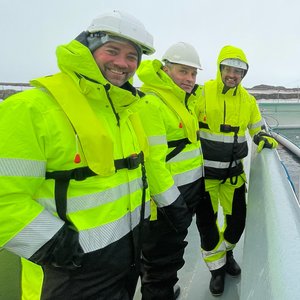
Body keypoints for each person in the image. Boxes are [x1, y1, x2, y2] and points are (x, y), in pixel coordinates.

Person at [0, 10, 155, 300]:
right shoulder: (32, 109)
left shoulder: (126, 111)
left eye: (131, 57)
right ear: (88, 48)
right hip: (67, 271)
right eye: (113, 51)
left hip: (124, 259)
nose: (123, 63)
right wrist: (55, 246)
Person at [196, 45, 278, 296]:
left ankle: (227, 252)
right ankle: (217, 270)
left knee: (237, 223)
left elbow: (256, 128)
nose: (233, 75)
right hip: (205, 178)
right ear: (220, 68)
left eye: (238, 71)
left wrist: (263, 138)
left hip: (233, 177)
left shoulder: (248, 101)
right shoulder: (201, 93)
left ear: (244, 75)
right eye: (229, 69)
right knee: (208, 228)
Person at [136, 42, 205, 300]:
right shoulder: (152, 103)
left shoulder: (180, 100)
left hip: (184, 192)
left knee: (171, 253)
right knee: (160, 259)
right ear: (165, 70)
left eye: (193, 73)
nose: (189, 79)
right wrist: (171, 204)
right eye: (183, 72)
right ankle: (158, 293)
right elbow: (153, 162)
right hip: (166, 199)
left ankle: (164, 289)